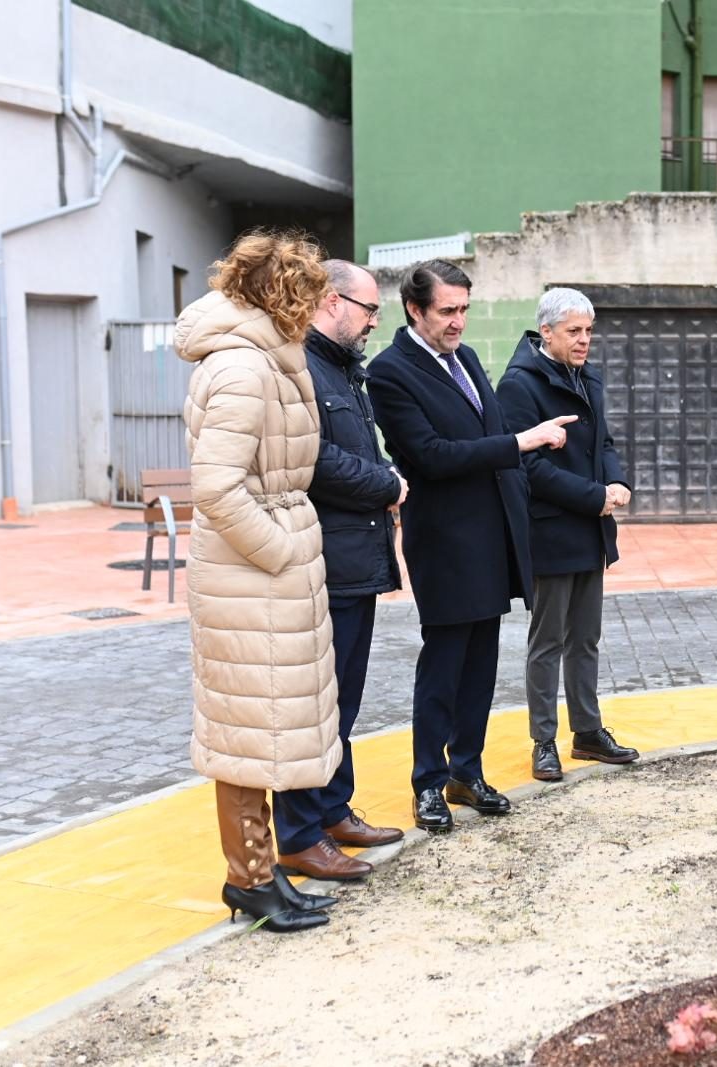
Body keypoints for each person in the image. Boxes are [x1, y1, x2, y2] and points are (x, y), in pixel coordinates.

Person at [366, 259, 576, 833]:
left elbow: (481, 436)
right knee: (444, 664)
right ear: (414, 309)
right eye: (447, 311)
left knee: (481, 662)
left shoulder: (467, 358)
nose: (458, 321)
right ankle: (428, 782)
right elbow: (430, 456)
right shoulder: (389, 372)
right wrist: (521, 441)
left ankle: (467, 770)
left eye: (464, 309)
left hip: (492, 535)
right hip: (445, 541)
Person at [177, 230, 341, 933]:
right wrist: (279, 551)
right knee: (246, 733)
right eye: (309, 293)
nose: (318, 307)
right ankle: (249, 877)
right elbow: (216, 485)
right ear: (283, 294)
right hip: (251, 575)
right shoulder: (247, 367)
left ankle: (260, 871)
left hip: (259, 573)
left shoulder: (263, 356)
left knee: (257, 728)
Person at [273, 260, 407, 882]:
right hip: (324, 559)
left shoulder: (343, 370)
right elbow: (315, 459)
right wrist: (386, 484)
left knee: (343, 699)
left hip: (355, 557)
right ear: (331, 302)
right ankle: (300, 833)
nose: (375, 321)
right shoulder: (301, 365)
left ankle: (332, 809)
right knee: (315, 705)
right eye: (369, 309)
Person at [496, 288, 640, 781]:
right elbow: (526, 465)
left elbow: (604, 443)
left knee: (587, 638)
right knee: (548, 642)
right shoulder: (518, 385)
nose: (584, 341)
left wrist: (617, 479)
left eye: (589, 331)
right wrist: (592, 496)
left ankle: (587, 732)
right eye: (574, 332)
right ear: (548, 331)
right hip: (550, 532)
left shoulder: (588, 378)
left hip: (589, 529)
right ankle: (543, 741)